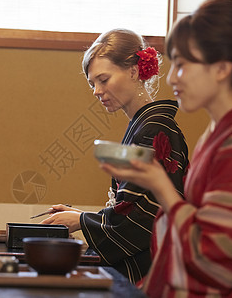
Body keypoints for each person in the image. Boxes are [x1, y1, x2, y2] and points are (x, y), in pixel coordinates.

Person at [101, 0, 232, 297]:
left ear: (220, 68)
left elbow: (213, 258)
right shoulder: (222, 135)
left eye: (181, 64)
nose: (171, 77)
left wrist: (160, 186)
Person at [40, 28, 190, 284]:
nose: (96, 91)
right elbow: (134, 205)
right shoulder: (145, 126)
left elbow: (145, 215)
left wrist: (81, 221)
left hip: (150, 271)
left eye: (104, 79)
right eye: (92, 83)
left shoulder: (155, 128)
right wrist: (82, 216)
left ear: (133, 70)